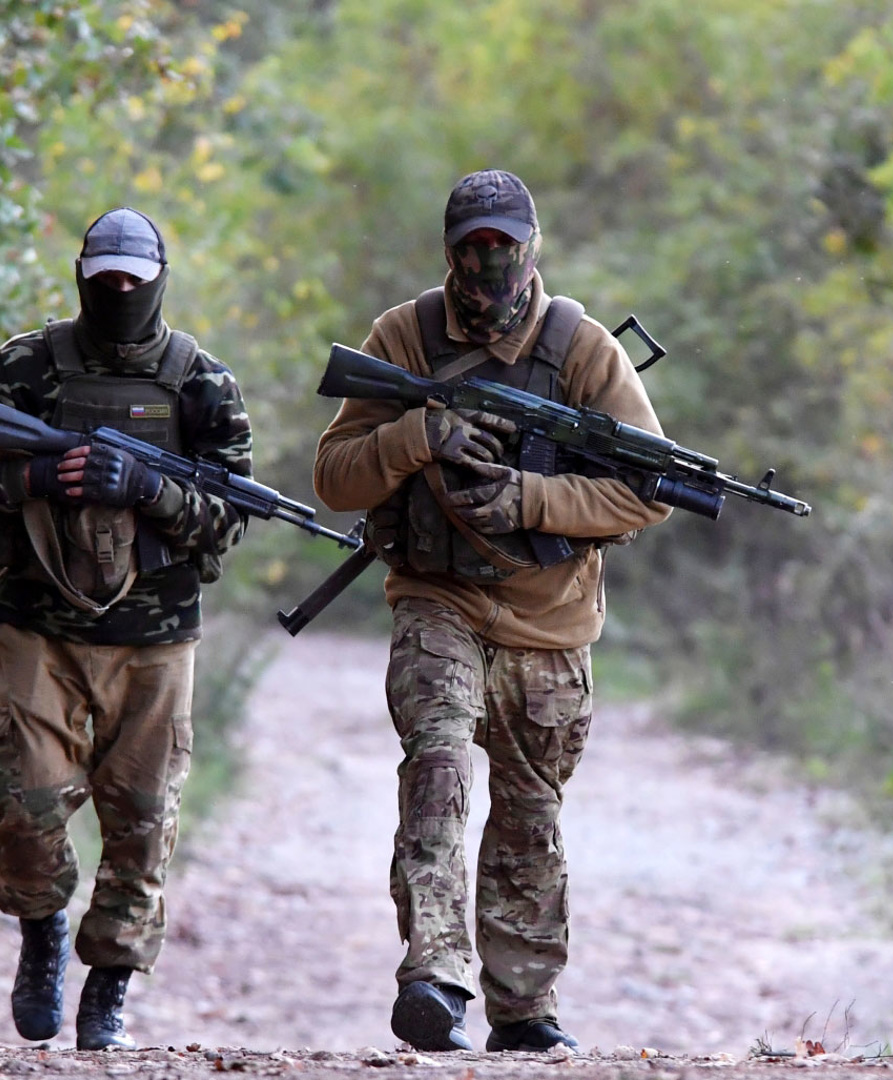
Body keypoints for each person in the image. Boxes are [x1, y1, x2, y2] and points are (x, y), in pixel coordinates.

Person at [312, 169, 672, 1052]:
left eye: (502, 246)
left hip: (549, 619)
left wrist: (528, 499)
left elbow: (650, 492)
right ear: (448, 250)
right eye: (471, 247)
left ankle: (522, 1008)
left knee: (528, 816)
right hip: (438, 599)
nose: (488, 264)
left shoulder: (582, 348)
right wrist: (415, 437)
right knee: (435, 767)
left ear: (532, 246)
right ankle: (436, 973)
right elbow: (333, 478)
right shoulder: (403, 336)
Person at [0, 207, 251, 1051]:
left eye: (130, 283)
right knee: (24, 802)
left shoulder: (201, 383)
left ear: (158, 281)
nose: (115, 293)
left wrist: (149, 489)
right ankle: (40, 937)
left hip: (158, 636)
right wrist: (33, 473)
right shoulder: (26, 367)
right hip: (37, 622)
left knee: (143, 818)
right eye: (101, 279)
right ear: (79, 275)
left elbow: (233, 516)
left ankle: (108, 986)